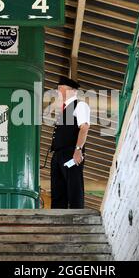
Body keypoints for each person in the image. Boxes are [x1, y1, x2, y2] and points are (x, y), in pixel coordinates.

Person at [50, 76, 90, 209]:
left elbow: (84, 127)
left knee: (74, 186)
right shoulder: (64, 109)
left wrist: (78, 149)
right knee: (57, 189)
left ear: (72, 90)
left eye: (61, 89)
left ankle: (77, 215)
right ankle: (56, 219)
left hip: (71, 152)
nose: (59, 92)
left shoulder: (80, 105)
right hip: (58, 154)